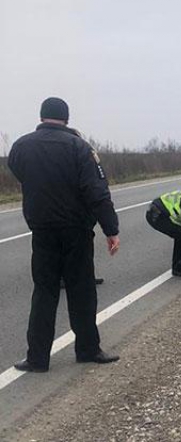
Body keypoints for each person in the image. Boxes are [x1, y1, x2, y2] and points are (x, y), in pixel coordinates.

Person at [8, 97, 121, 372]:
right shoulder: (79, 147)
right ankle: (88, 349)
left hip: (42, 230)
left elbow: (17, 170)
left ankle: (37, 358)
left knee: (44, 291)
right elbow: (96, 191)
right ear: (66, 118)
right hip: (76, 230)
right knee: (81, 289)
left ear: (42, 116)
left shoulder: (21, 146)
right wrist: (111, 228)